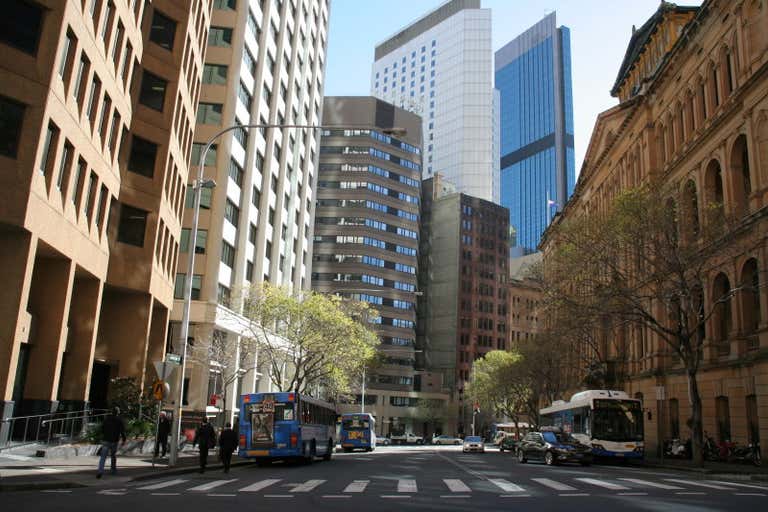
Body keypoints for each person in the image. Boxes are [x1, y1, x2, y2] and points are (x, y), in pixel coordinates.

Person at [97, 407, 126, 478]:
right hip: (114, 441)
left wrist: (103, 436)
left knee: (103, 457)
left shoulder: (106, 419)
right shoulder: (119, 421)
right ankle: (113, 470)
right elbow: (122, 431)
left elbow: (102, 429)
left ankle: (100, 471)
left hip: (106, 440)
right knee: (113, 455)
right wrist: (124, 440)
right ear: (118, 413)